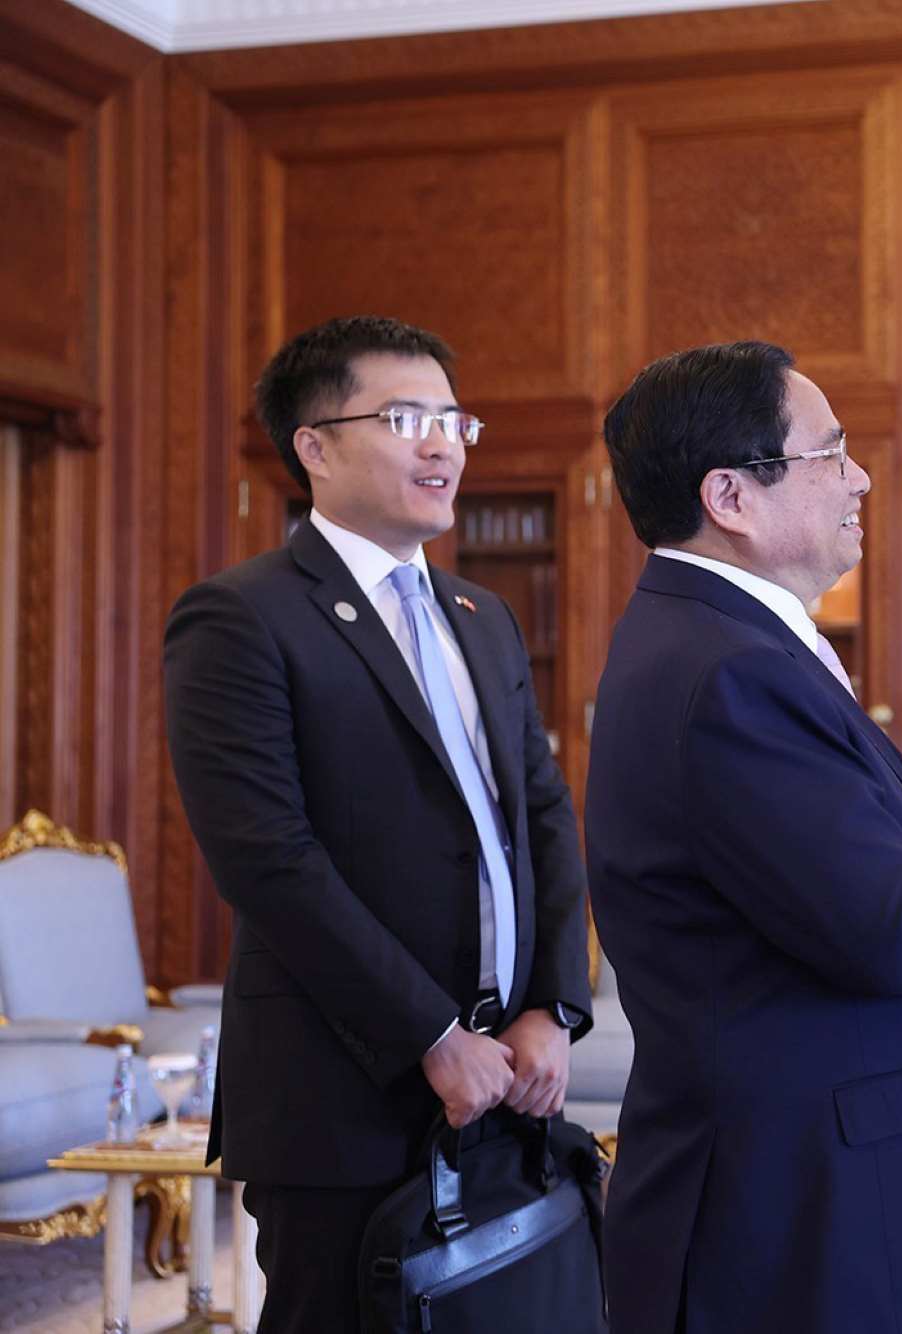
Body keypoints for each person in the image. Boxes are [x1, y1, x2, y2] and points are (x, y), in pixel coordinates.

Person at [587, 340, 902, 1334]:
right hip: (805, 1221)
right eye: (830, 453)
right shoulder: (724, 670)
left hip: (821, 1200)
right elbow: (889, 921)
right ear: (732, 495)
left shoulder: (723, 641)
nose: (860, 476)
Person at [164, 316, 594, 1334]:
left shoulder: (482, 619)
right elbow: (269, 860)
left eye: (453, 419)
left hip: (507, 1077)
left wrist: (553, 1005)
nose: (440, 442)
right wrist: (431, 1035)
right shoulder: (240, 616)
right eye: (406, 417)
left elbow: (541, 816)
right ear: (313, 445)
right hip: (343, 1090)